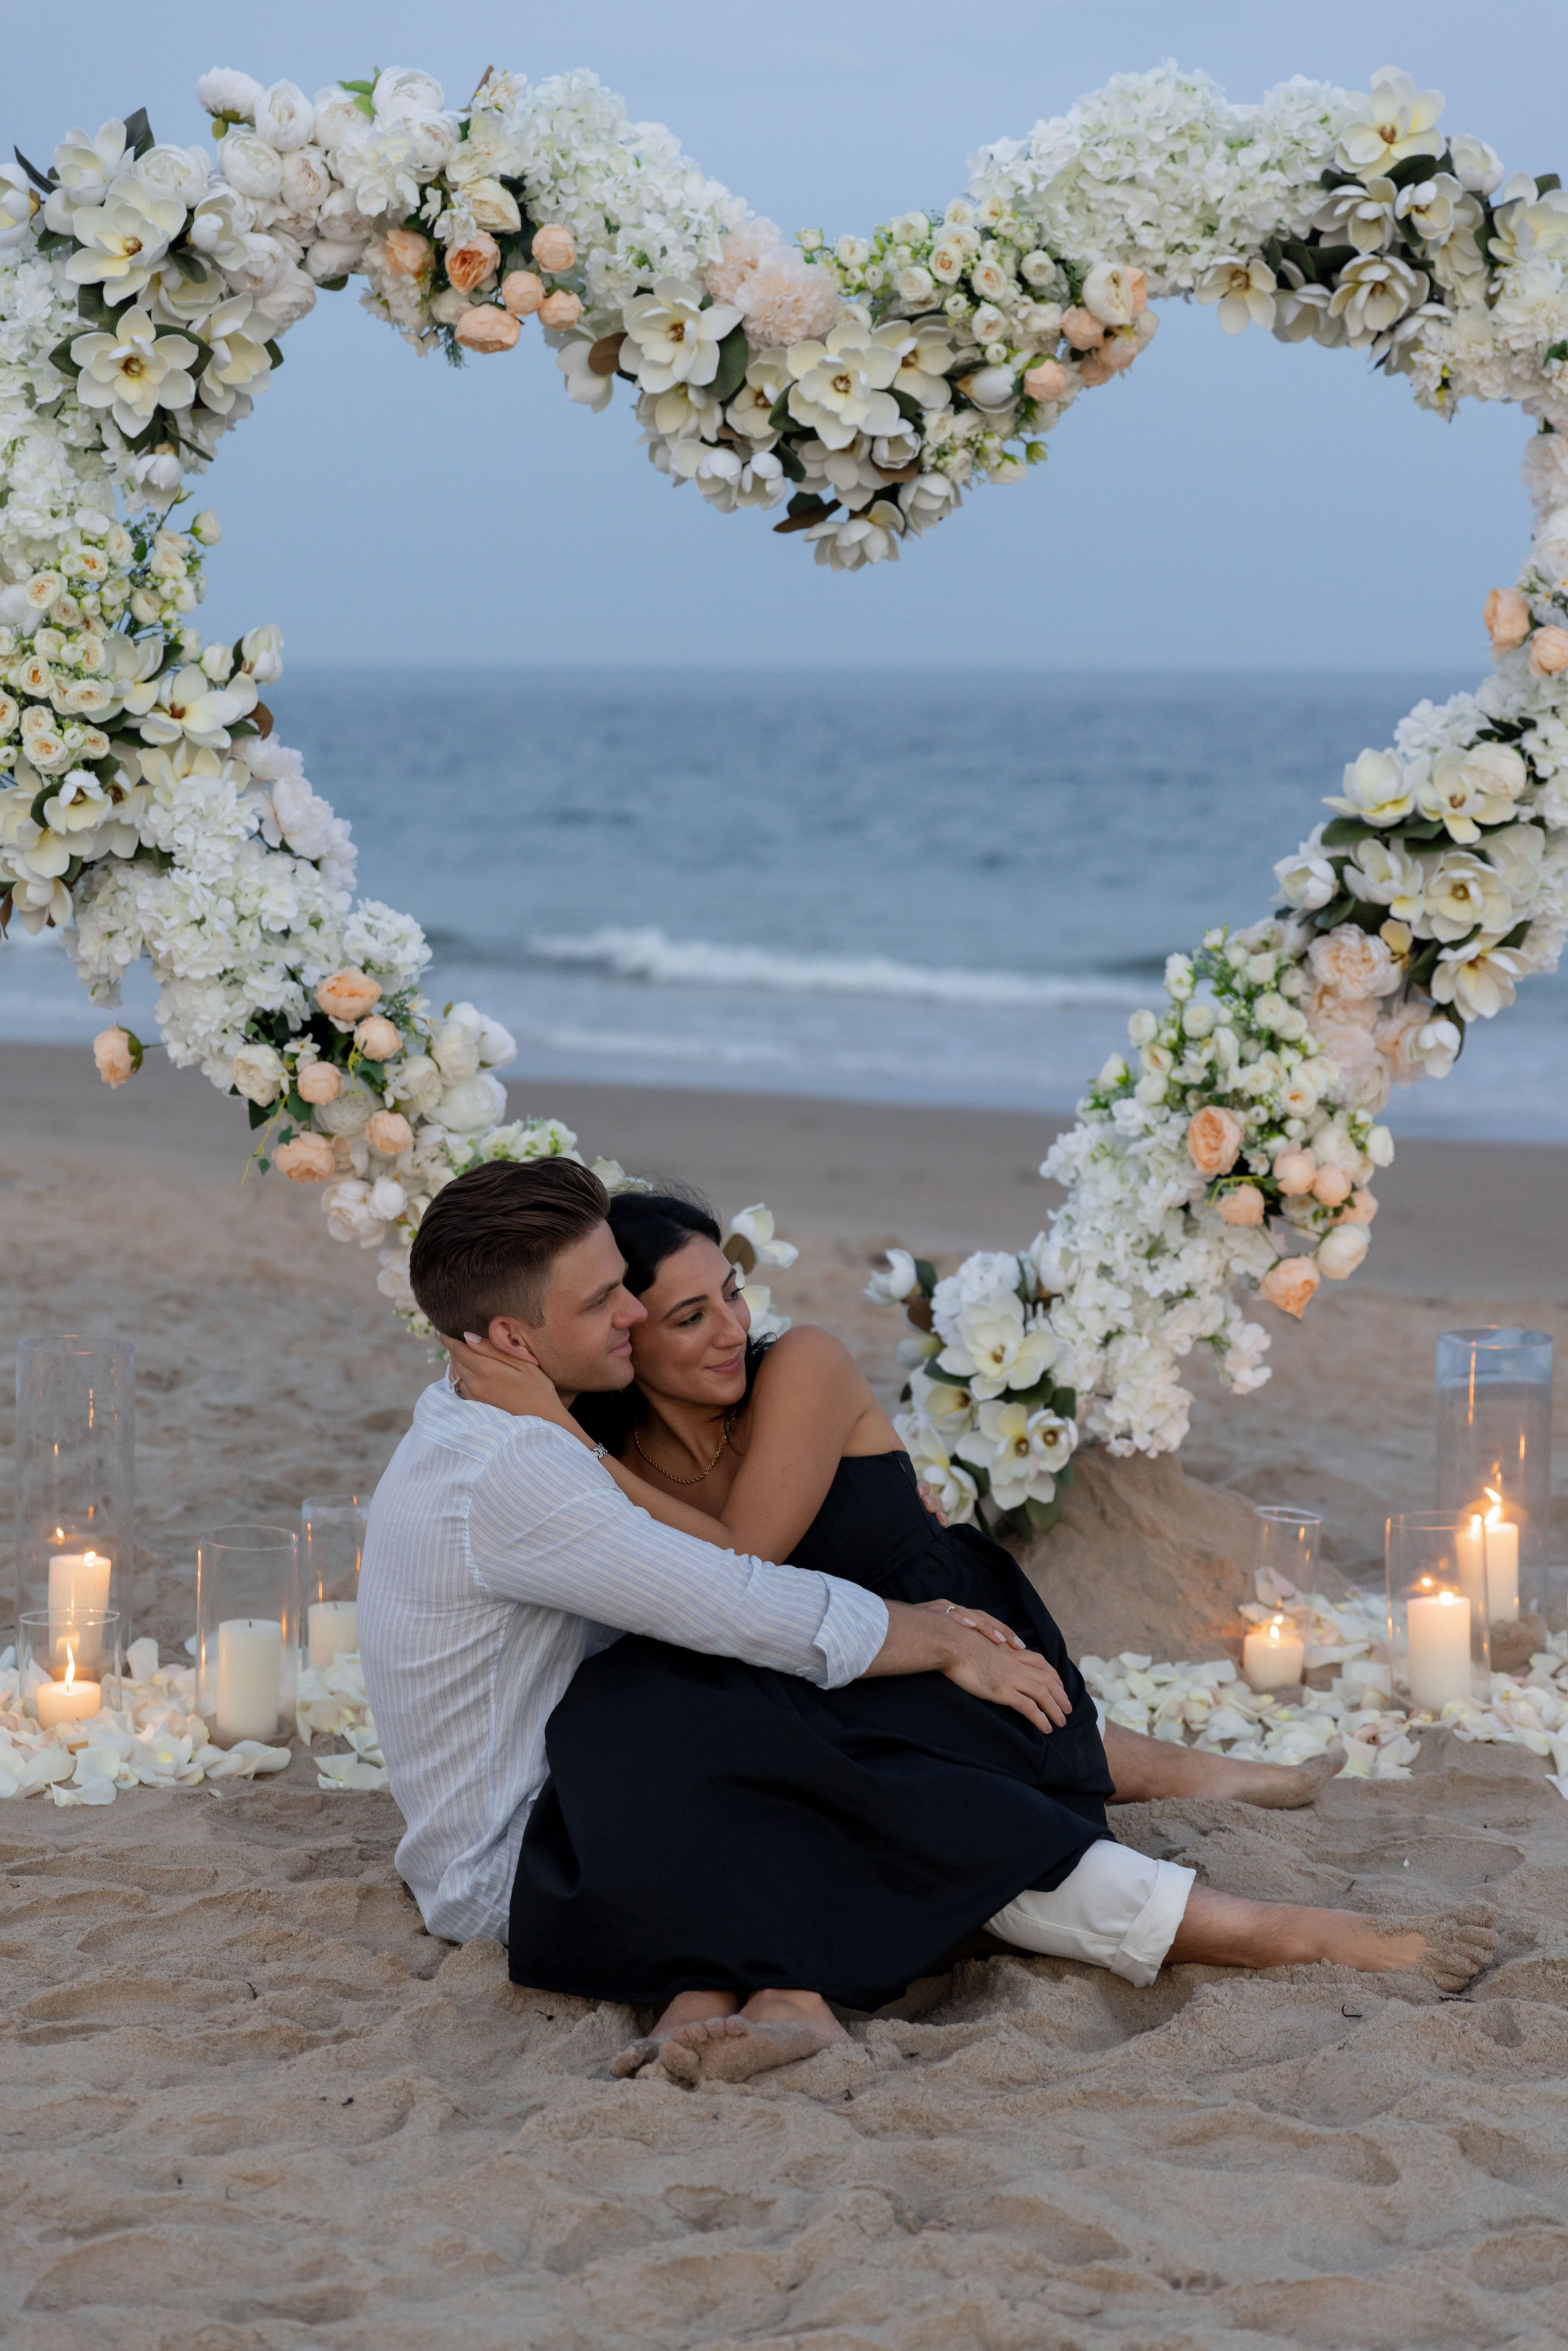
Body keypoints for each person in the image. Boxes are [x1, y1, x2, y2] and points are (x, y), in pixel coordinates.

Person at [361, 1161, 1496, 2088]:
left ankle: (751, 1995)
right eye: (610, 1303)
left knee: (755, 1724)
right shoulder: (527, 1463)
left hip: (615, 1792)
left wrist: (922, 1621)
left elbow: (725, 1587)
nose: (633, 1312)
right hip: (544, 1843)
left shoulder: (505, 1422)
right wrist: (934, 1636)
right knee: (770, 1735)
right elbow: (734, 1595)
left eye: (633, 1287)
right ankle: (1241, 1924)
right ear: (512, 1339)